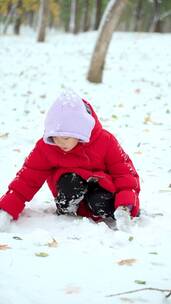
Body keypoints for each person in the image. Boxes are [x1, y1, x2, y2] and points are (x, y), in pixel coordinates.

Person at [0, 90, 140, 232]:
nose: (60, 142)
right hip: (69, 190)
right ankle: (68, 208)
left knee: (100, 201)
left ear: (81, 132)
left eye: (66, 138)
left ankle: (104, 207)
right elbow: (27, 178)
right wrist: (7, 210)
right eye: (55, 137)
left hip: (100, 188)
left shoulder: (105, 141)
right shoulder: (47, 147)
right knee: (70, 182)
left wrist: (125, 206)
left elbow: (124, 174)